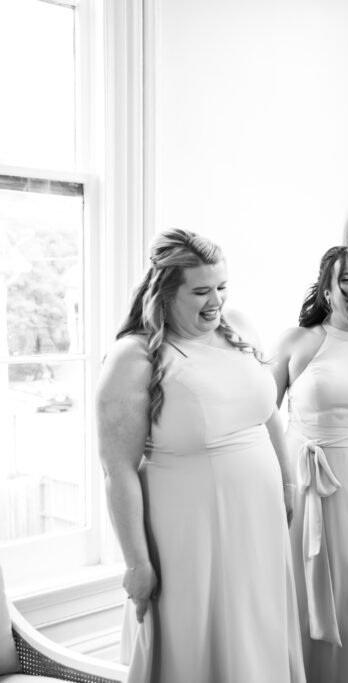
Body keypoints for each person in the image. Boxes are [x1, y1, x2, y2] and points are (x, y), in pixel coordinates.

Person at [97, 228, 304, 683]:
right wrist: (138, 564)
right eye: (201, 291)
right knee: (198, 642)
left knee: (258, 631)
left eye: (222, 287)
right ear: (166, 291)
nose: (216, 301)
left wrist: (288, 486)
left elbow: (267, 411)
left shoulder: (240, 328)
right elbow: (118, 470)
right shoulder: (134, 357)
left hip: (260, 522)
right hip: (189, 531)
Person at [271, 246, 348, 683]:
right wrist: (276, 486)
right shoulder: (298, 342)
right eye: (345, 279)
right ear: (327, 289)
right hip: (302, 483)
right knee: (301, 590)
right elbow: (261, 420)